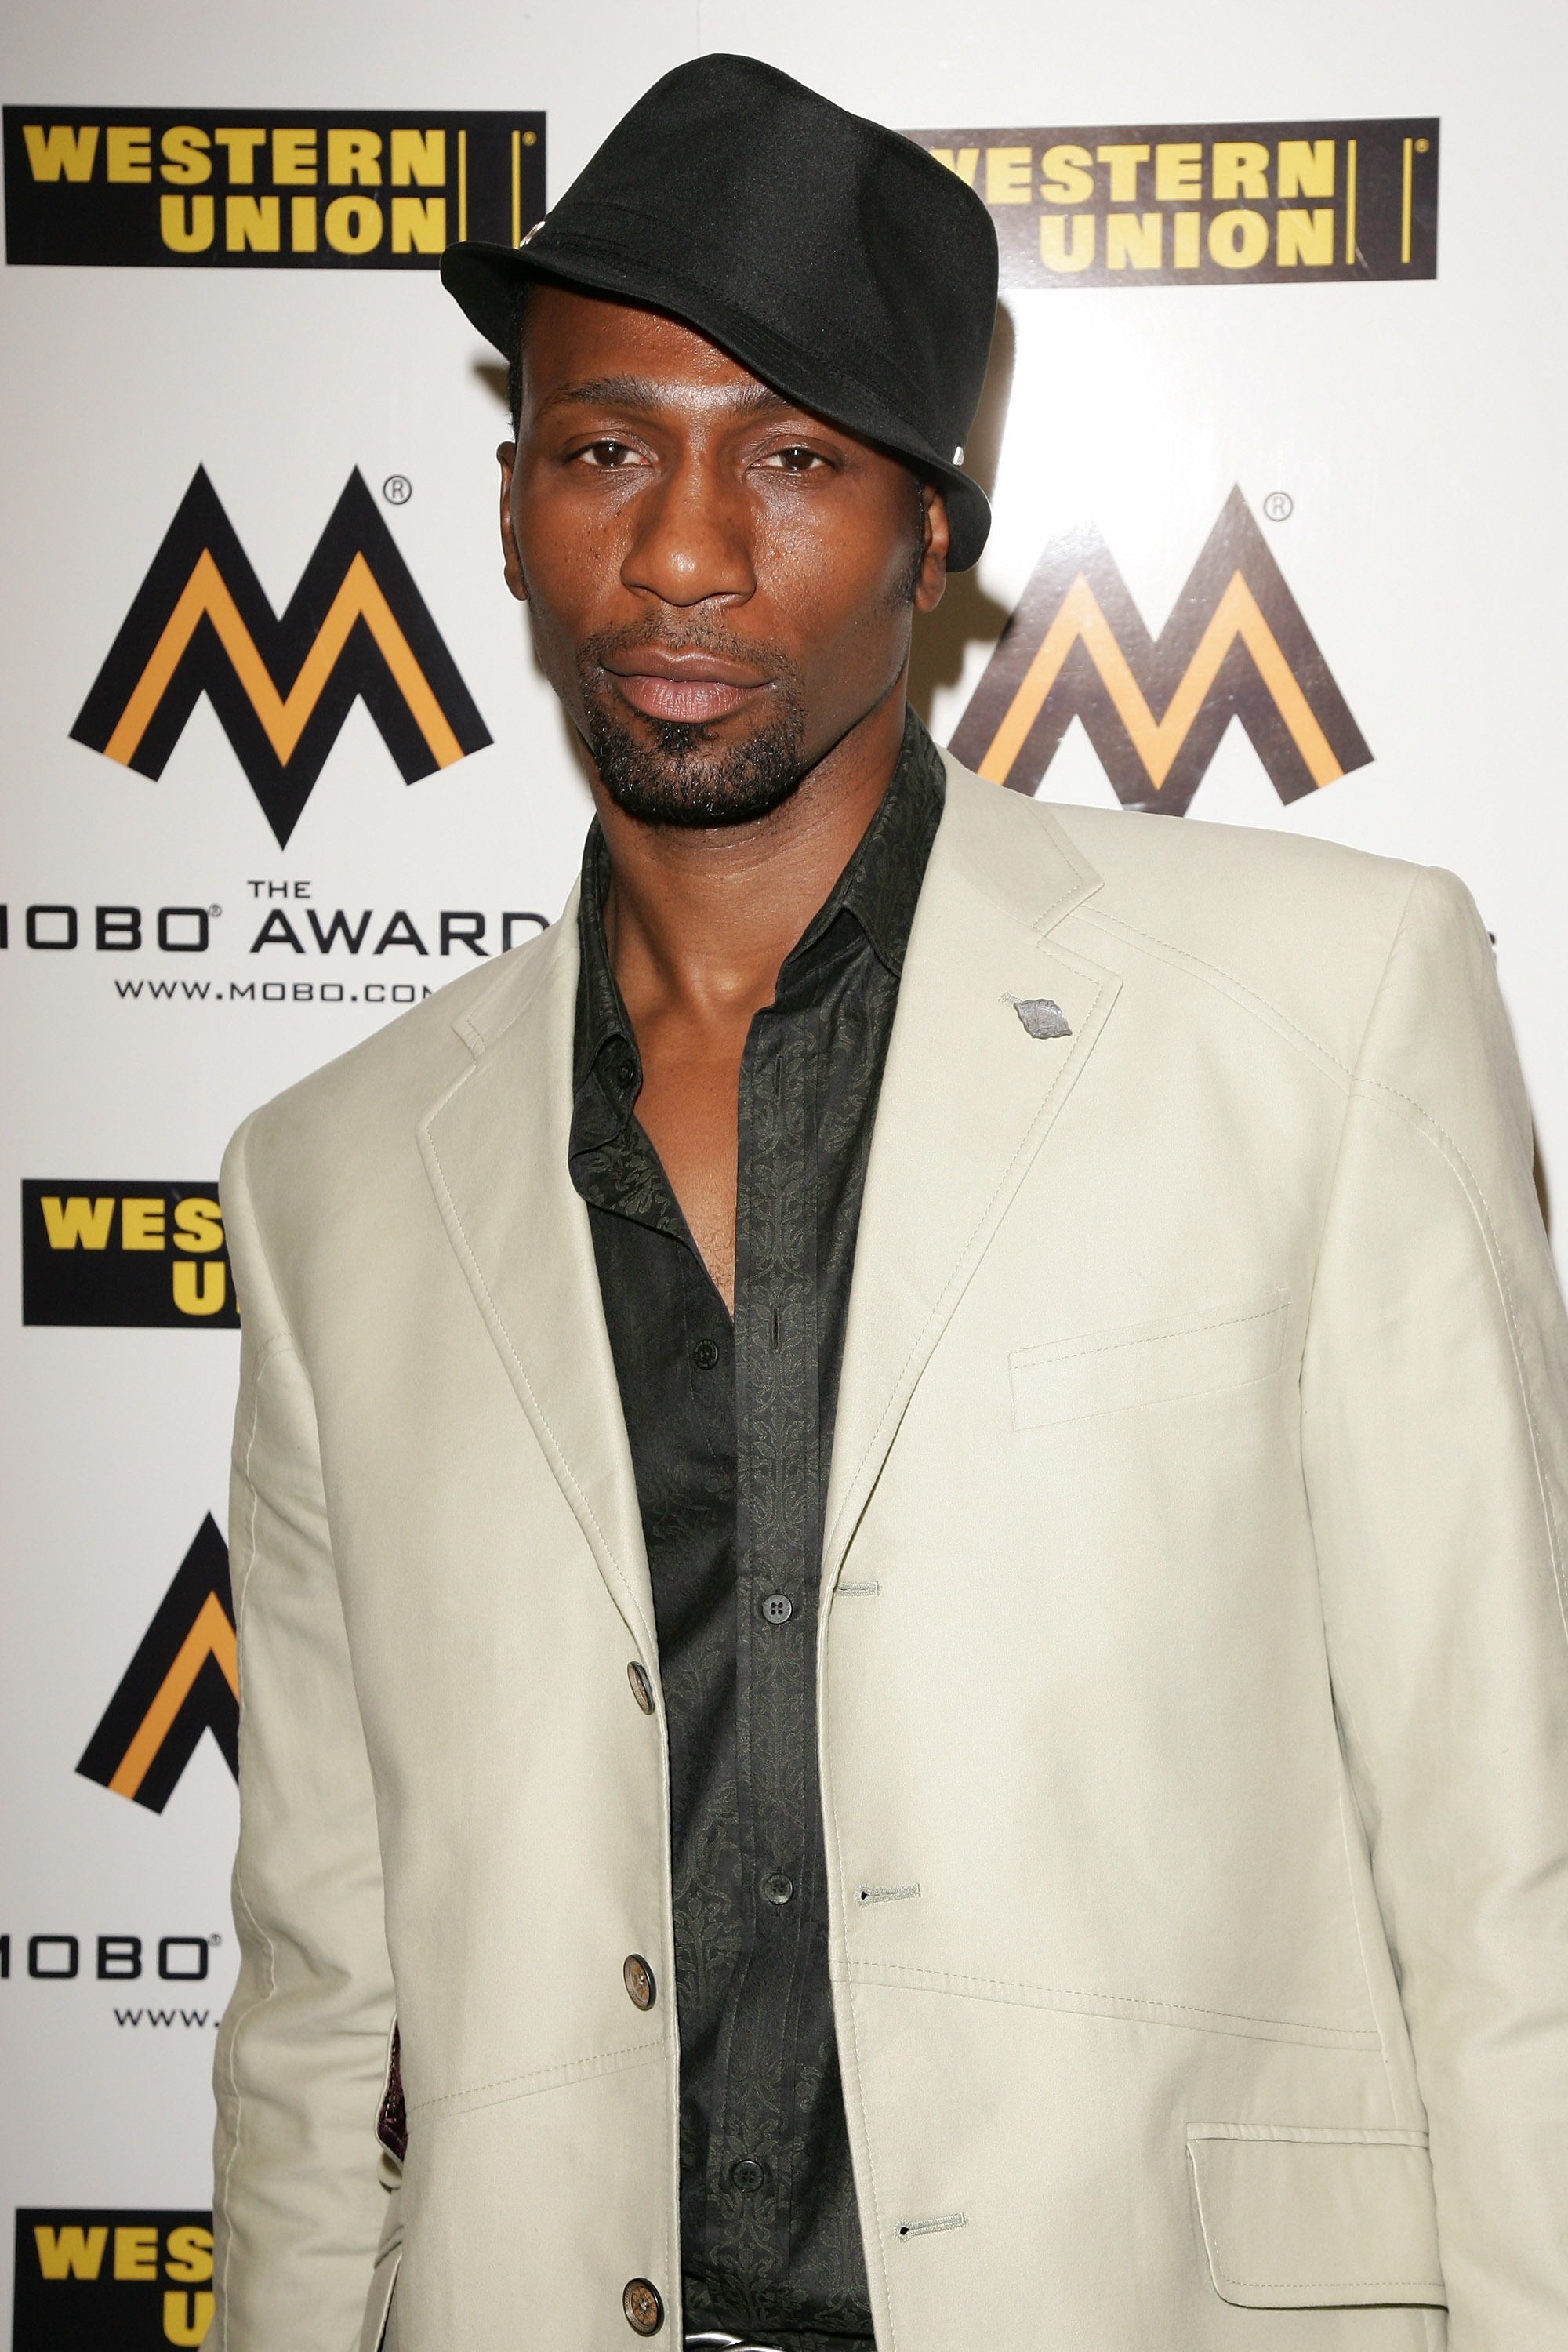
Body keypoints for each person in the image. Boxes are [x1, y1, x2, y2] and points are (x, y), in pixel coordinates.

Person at [211, 53, 1568, 2352]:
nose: (685, 550)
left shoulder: (1323, 1012)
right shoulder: (331, 1173)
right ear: (518, 500)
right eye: (608, 446)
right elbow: (324, 1993)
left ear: (932, 537)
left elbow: (1509, 1872)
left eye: (800, 458)